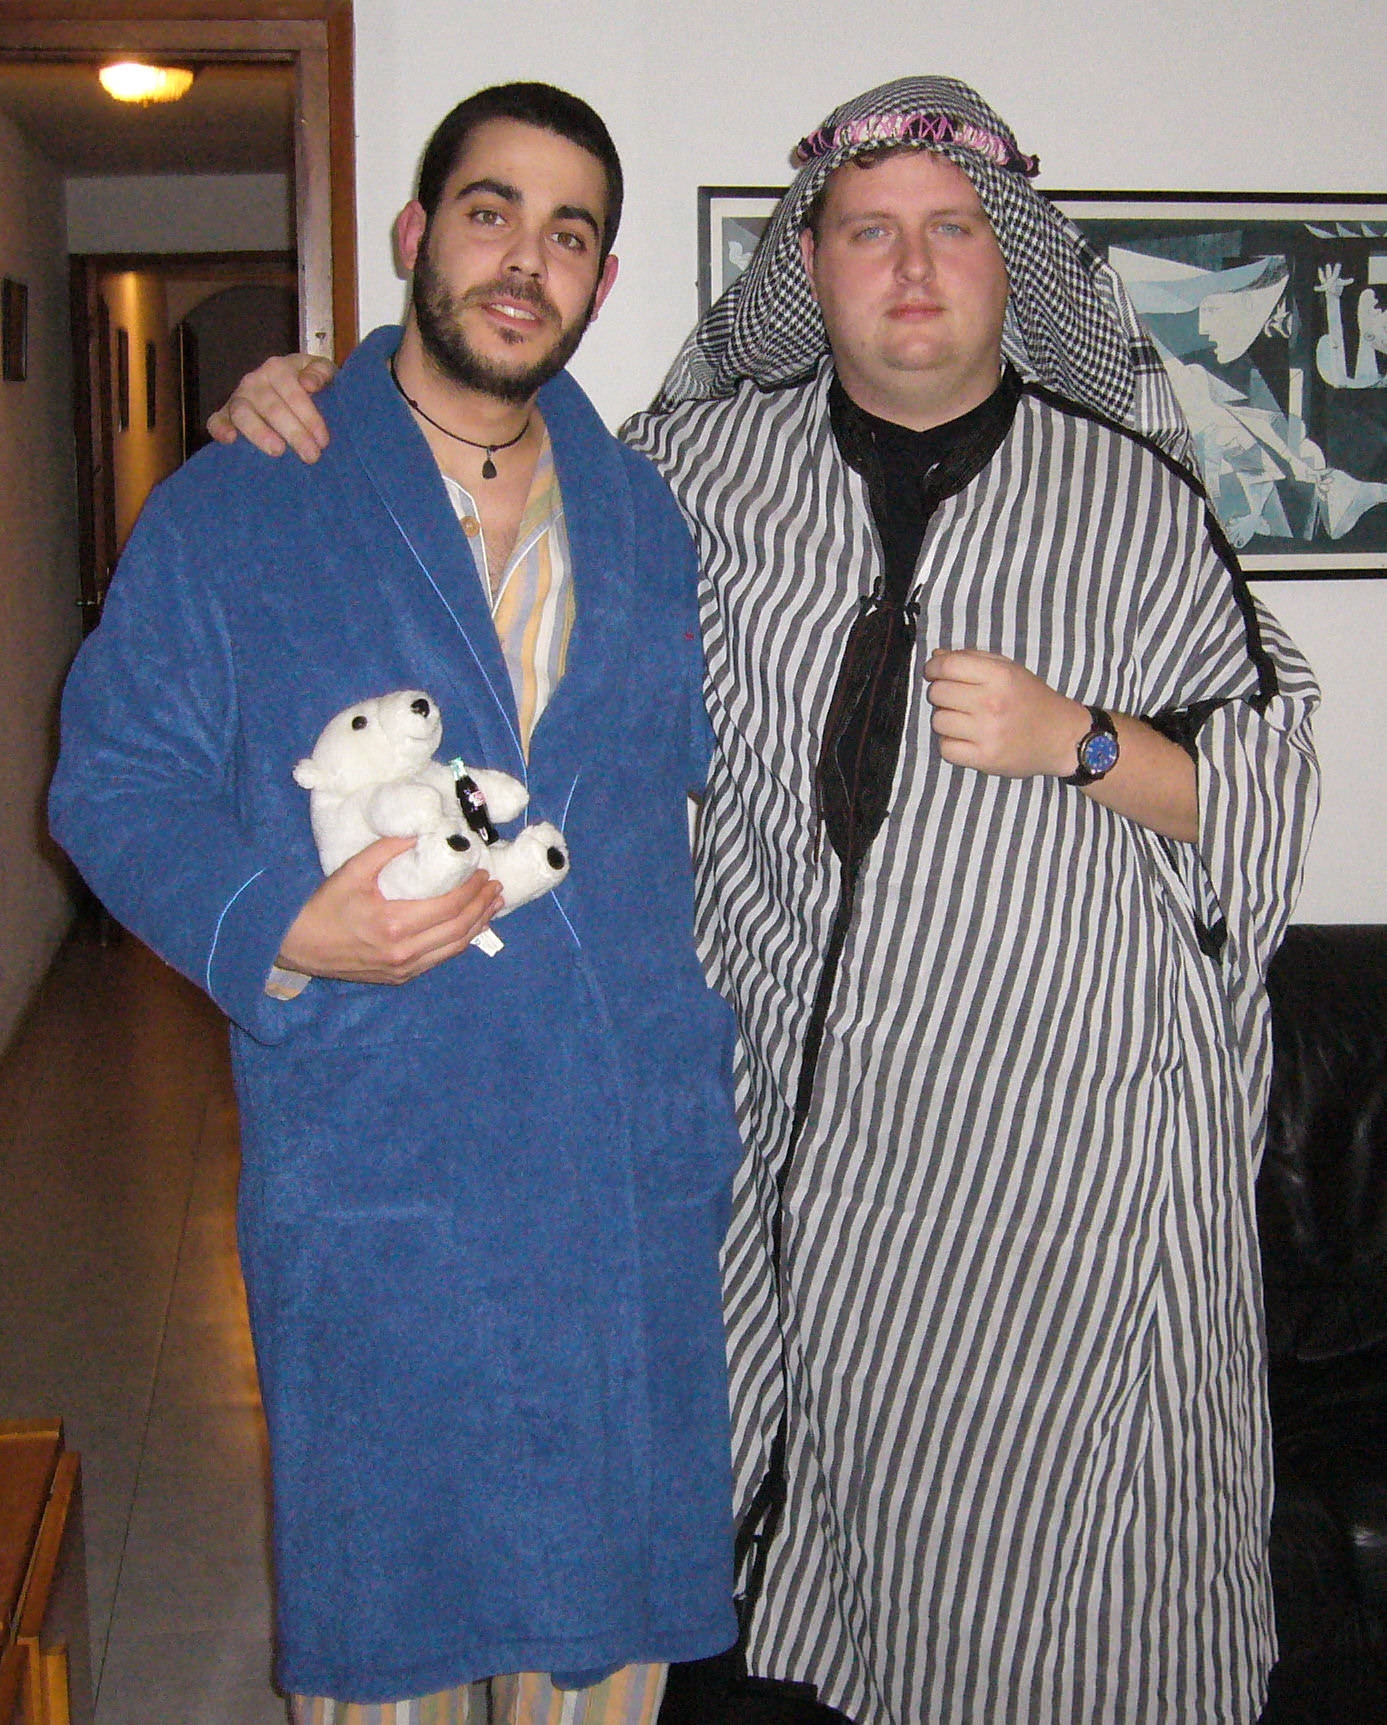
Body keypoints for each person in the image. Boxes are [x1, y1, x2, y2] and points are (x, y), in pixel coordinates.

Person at [209, 76, 1321, 1725]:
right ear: (810, 263)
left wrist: (1082, 741)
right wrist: (316, 392)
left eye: (953, 231)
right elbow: (492, 457)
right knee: (793, 1576)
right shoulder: (691, 478)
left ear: (1013, 258)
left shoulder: (1134, 504)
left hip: (1056, 1166)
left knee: (1040, 1589)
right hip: (799, 1160)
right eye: (870, 232)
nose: (914, 268)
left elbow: (1270, 777)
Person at [49, 82, 744, 1725]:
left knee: (599, 1654)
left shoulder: (646, 521)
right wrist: (283, 929)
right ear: (418, 234)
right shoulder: (248, 498)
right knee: (395, 1644)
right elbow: (110, 783)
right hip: (388, 1178)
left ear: (603, 278)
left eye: (567, 233)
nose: (525, 260)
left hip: (616, 1191)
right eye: (491, 212)